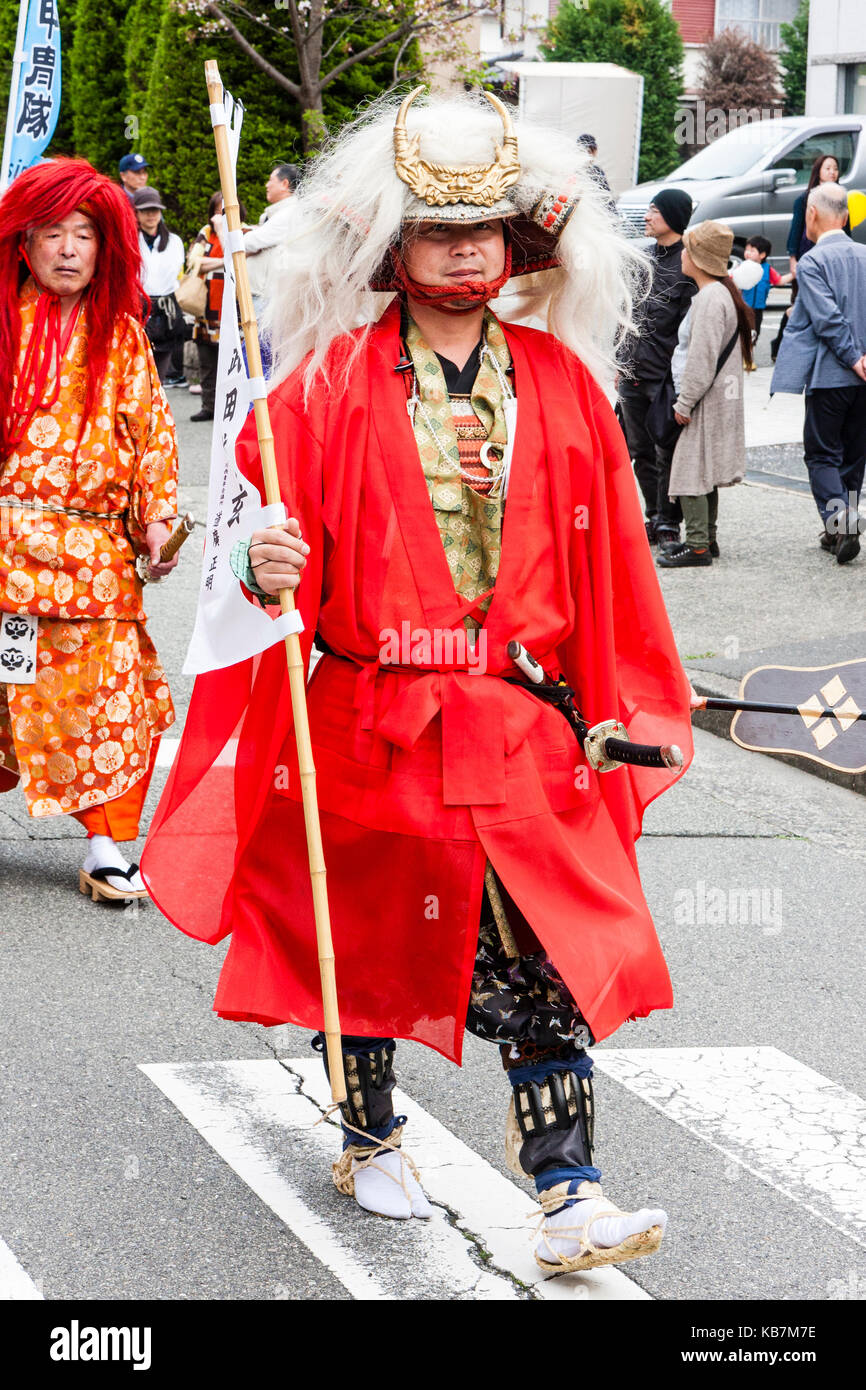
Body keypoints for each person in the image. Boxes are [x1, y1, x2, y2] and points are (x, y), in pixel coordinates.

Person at [142, 89, 695, 1273]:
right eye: (438, 233)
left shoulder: (558, 383)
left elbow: (613, 567)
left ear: (514, 250)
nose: (460, 251)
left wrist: (625, 701)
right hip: (364, 715)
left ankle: (568, 1189)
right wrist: (258, 556)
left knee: (543, 950)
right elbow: (250, 513)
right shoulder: (325, 383)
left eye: (481, 232)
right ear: (395, 251)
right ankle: (367, 1125)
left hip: (517, 723)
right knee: (370, 939)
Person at [0, 159, 179, 901]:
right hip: (4, 553)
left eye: (84, 234)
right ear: (24, 244)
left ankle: (106, 842)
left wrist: (160, 521)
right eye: (52, 233)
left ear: (107, 246)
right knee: (3, 687)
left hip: (97, 563)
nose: (69, 248)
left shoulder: (124, 337)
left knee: (107, 698)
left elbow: (152, 442)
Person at [771, 182, 866, 565]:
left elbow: (828, 319)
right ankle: (845, 524)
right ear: (844, 216)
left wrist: (853, 356)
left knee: (823, 455)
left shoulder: (812, 262)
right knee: (855, 458)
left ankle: (842, 525)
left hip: (832, 374)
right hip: (864, 377)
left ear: (812, 214)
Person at [658, 221, 752, 569]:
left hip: (704, 399)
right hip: (715, 397)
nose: (682, 254)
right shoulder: (718, 293)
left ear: (697, 257)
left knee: (691, 469)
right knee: (704, 467)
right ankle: (706, 538)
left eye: (688, 248)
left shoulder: (711, 297)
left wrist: (684, 402)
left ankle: (697, 545)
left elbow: (701, 357)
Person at [617, 188, 697, 547]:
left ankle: (669, 521)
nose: (647, 217)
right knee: (639, 451)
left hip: (666, 377)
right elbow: (627, 314)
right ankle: (653, 514)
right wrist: (619, 360)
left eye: (653, 211)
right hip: (633, 372)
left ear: (672, 217)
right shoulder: (642, 259)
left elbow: (690, 330)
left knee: (668, 451)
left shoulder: (689, 264)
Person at [770, 153, 850, 363]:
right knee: (799, 302)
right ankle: (779, 344)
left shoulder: (842, 200)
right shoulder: (804, 200)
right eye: (827, 168)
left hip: (833, 258)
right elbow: (795, 230)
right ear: (818, 172)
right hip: (808, 257)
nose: (832, 172)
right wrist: (793, 259)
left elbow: (846, 231)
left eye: (835, 168)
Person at [133, 187, 186, 386]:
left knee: (160, 371)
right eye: (145, 210)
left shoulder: (174, 241)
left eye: (155, 210)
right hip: (137, 305)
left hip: (166, 309)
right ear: (136, 212)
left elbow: (175, 276)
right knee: (136, 365)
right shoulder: (129, 239)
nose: (151, 215)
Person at [185, 191, 226, 422]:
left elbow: (246, 258)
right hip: (206, 305)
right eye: (218, 208)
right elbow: (193, 262)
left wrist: (207, 264)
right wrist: (224, 260)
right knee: (207, 361)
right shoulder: (206, 232)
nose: (222, 212)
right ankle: (208, 406)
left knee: (232, 361)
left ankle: (228, 410)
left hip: (232, 308)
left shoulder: (245, 231)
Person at [741, 235, 793, 366]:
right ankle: (746, 358)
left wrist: (794, 274)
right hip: (743, 308)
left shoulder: (767, 269)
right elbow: (732, 279)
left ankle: (748, 357)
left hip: (758, 309)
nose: (747, 253)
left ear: (762, 254)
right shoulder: (743, 267)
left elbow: (780, 281)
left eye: (752, 250)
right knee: (744, 333)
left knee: (755, 333)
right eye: (746, 249)